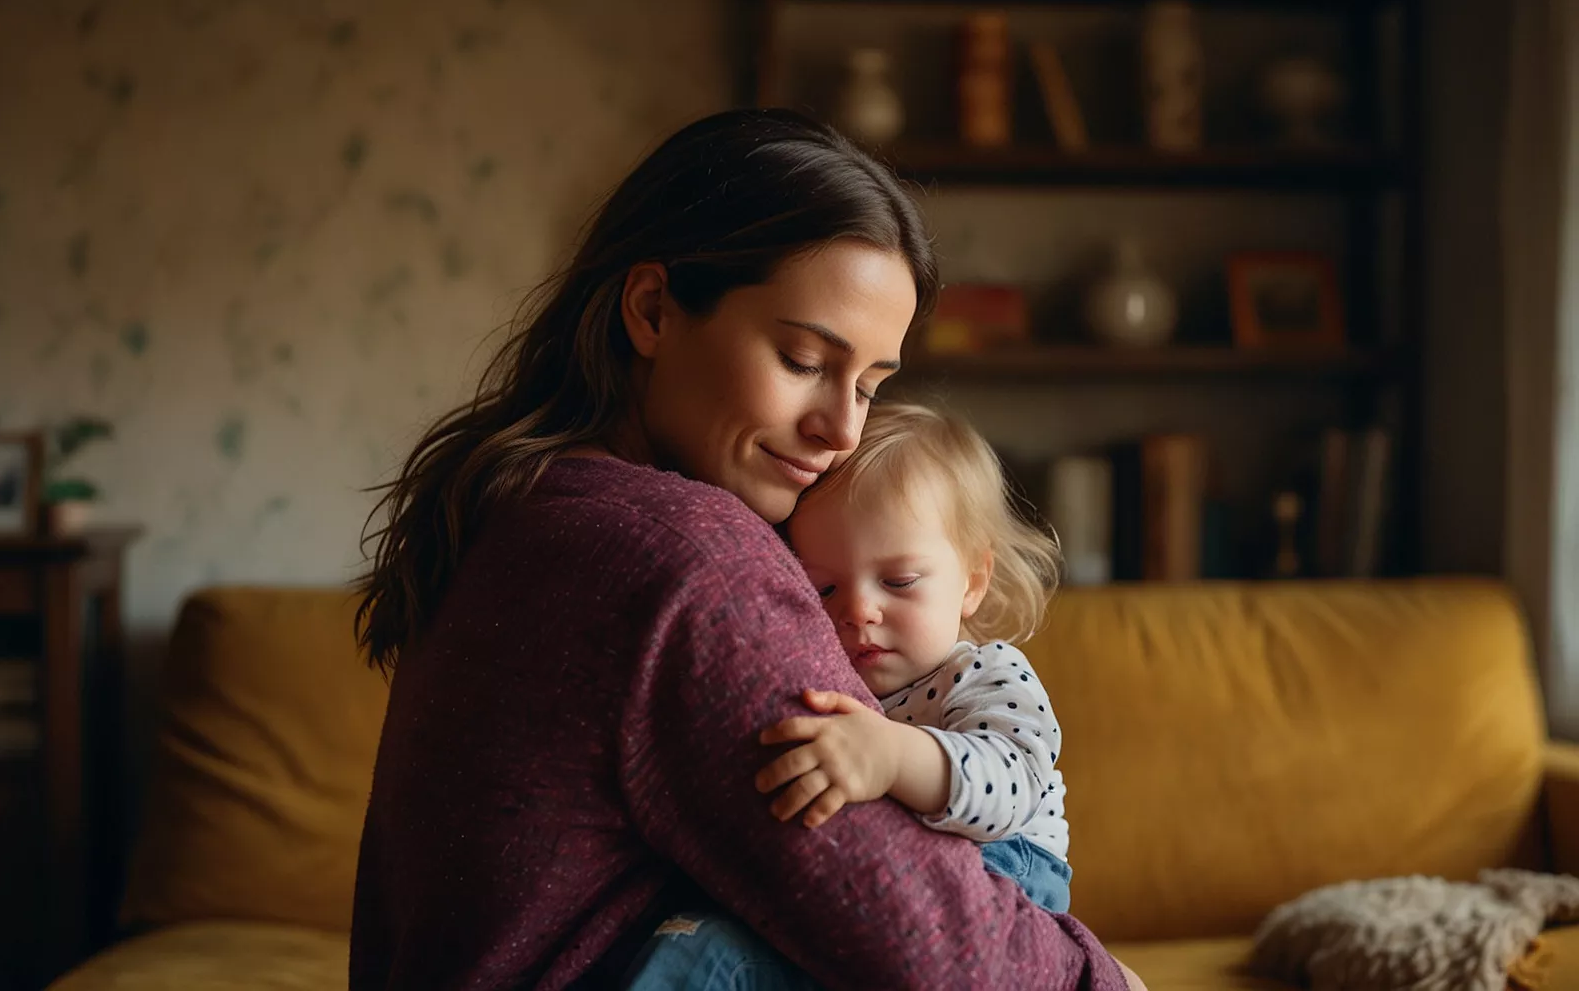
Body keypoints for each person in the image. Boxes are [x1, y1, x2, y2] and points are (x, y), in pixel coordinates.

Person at [349, 107, 1142, 990]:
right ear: (652, 310)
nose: (840, 428)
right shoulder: (684, 559)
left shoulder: (516, 505)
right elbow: (924, 940)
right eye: (804, 360)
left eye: (872, 387)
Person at [623, 401, 1078, 989]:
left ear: (972, 580)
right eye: (825, 587)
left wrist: (891, 756)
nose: (859, 610)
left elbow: (1013, 783)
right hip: (886, 888)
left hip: (1007, 885)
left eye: (899, 582)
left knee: (713, 957)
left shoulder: (987, 672)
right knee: (688, 938)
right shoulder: (821, 674)